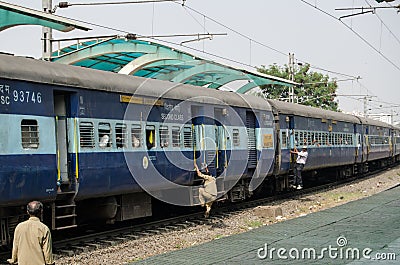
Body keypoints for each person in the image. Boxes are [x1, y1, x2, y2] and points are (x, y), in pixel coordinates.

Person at [7, 201, 54, 265]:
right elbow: (47, 253)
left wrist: (13, 260)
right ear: (41, 212)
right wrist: (49, 263)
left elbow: (15, 248)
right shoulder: (44, 229)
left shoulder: (19, 227)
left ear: (27, 212)